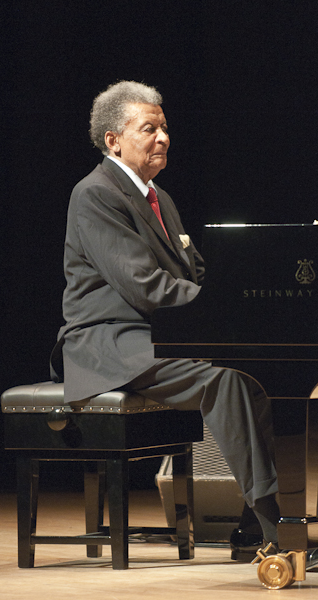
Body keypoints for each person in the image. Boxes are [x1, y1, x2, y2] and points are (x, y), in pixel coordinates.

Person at [50, 80, 279, 561]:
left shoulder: (159, 197)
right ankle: (275, 530)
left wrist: (225, 303)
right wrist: (215, 308)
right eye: (149, 128)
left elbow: (190, 271)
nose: (163, 137)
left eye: (165, 128)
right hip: (109, 344)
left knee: (256, 379)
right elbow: (143, 285)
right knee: (227, 383)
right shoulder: (93, 194)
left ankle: (251, 529)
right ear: (113, 139)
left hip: (156, 337)